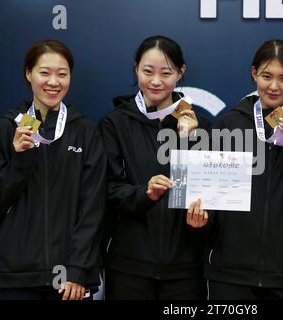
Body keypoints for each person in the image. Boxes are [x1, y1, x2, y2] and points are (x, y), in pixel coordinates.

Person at [187, 39, 283, 299]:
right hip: (229, 274)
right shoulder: (228, 124)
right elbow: (211, 196)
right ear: (254, 74)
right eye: (266, 76)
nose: (274, 86)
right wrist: (200, 222)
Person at [0, 39, 106, 300]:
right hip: (15, 276)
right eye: (44, 72)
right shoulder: (6, 128)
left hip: (69, 279)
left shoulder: (85, 132)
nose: (53, 82)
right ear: (28, 74)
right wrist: (19, 160)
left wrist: (79, 268)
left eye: (62, 74)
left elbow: (92, 208)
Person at [99, 35, 211, 300]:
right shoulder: (114, 124)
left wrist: (190, 139)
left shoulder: (201, 127)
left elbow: (209, 192)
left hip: (185, 269)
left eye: (166, 73)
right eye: (148, 71)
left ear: (180, 73)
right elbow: (107, 189)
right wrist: (144, 193)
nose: (156, 81)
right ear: (136, 68)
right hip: (128, 266)